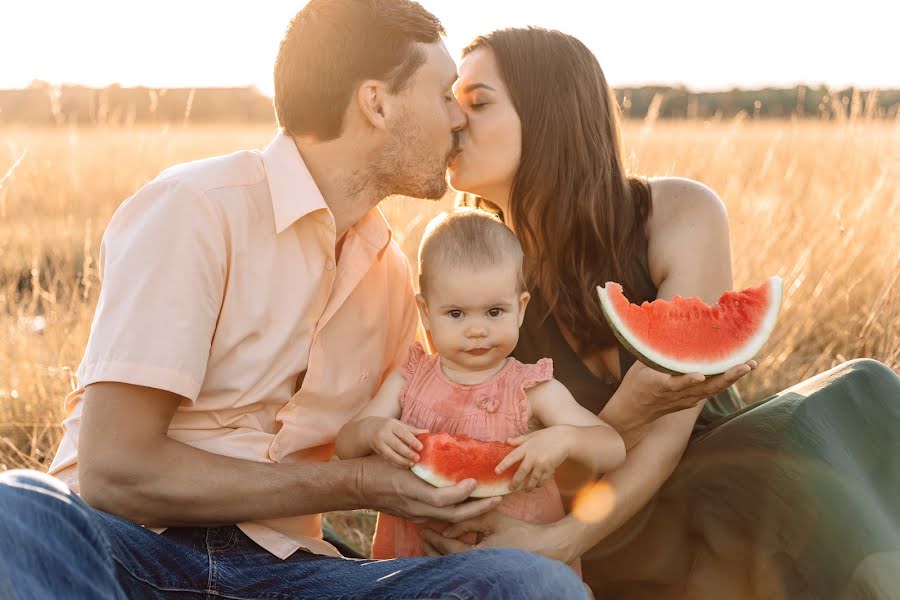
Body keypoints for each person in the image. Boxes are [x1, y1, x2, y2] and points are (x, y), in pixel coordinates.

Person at [0, 7, 592, 599]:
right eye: (443, 95)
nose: (459, 117)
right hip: (126, 550)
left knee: (533, 583)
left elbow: (438, 420)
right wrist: (357, 482)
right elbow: (115, 470)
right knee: (12, 509)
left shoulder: (394, 279)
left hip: (292, 575)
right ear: (377, 104)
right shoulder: (197, 208)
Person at [418, 26, 900, 599]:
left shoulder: (678, 213)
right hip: (596, 514)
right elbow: (532, 465)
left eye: (477, 102)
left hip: (715, 474)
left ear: (550, 115)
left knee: (853, 391)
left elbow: (671, 434)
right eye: (452, 100)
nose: (452, 119)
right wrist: (564, 528)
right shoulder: (476, 276)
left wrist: (564, 541)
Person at [336, 208, 626, 573]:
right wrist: (372, 431)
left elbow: (613, 447)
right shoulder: (408, 381)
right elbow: (346, 447)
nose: (477, 330)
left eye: (494, 312)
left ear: (520, 309)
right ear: (425, 313)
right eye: (456, 314)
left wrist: (565, 438)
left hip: (516, 564)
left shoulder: (532, 389)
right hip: (417, 559)